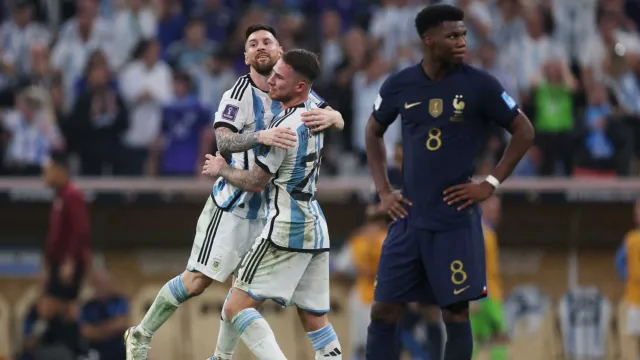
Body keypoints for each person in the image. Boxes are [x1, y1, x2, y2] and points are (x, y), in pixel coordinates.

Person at [124, 25, 344, 360]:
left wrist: (335, 116)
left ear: (280, 51)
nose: (260, 47)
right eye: (252, 44)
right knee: (197, 282)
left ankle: (220, 358)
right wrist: (260, 137)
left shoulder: (302, 95)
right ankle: (141, 334)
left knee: (240, 295)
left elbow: (335, 119)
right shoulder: (237, 95)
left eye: (266, 42)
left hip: (274, 212)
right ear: (245, 57)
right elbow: (224, 142)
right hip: (236, 205)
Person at [364, 4, 535, 360]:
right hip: (408, 218)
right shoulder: (400, 84)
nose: (461, 41)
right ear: (429, 41)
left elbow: (524, 131)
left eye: (463, 35)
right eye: (452, 35)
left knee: (455, 314)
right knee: (383, 310)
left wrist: (489, 183)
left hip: (454, 221)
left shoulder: (481, 84)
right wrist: (383, 190)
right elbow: (373, 131)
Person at [202, 49, 342, 360]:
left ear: (299, 87)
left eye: (280, 76)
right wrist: (336, 116)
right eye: (273, 72)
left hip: (286, 227)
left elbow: (255, 182)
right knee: (315, 319)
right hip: (315, 226)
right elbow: (336, 118)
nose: (271, 80)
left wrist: (221, 169)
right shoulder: (315, 113)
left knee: (235, 307)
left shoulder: (285, 129)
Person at [42, 150, 92, 319]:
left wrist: (70, 261)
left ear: (59, 170)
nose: (44, 175)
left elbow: (81, 230)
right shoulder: (60, 196)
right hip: (58, 263)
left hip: (68, 264)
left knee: (66, 307)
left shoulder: (72, 195)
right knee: (51, 306)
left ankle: (74, 344)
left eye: (47, 170)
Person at [471, 196, 509, 360]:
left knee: (479, 339)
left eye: (498, 210)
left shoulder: (487, 232)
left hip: (489, 294)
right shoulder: (480, 234)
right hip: (485, 295)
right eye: (492, 209)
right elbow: (474, 265)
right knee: (499, 337)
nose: (496, 214)